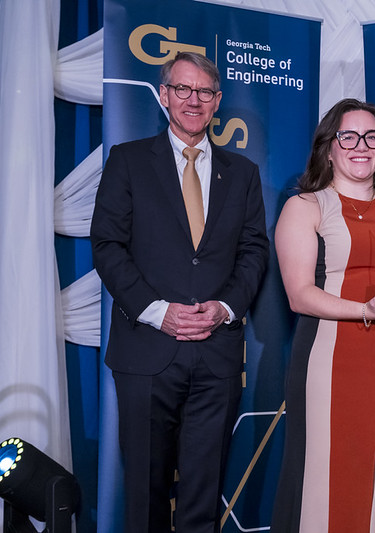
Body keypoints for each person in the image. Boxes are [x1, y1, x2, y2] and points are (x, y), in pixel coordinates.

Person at [90, 51, 269, 533]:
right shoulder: (127, 160)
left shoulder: (243, 173)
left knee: (202, 494)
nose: (194, 100)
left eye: (205, 92)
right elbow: (107, 245)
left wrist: (226, 308)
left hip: (217, 356)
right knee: (145, 495)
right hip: (147, 351)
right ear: (165, 96)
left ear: (217, 102)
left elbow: (254, 251)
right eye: (183, 90)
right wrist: (156, 311)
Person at [271, 98, 375, 532]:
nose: (361, 146)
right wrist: (365, 310)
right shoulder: (304, 207)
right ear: (329, 147)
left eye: (372, 136)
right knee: (325, 468)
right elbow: (300, 295)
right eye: (349, 136)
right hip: (326, 360)